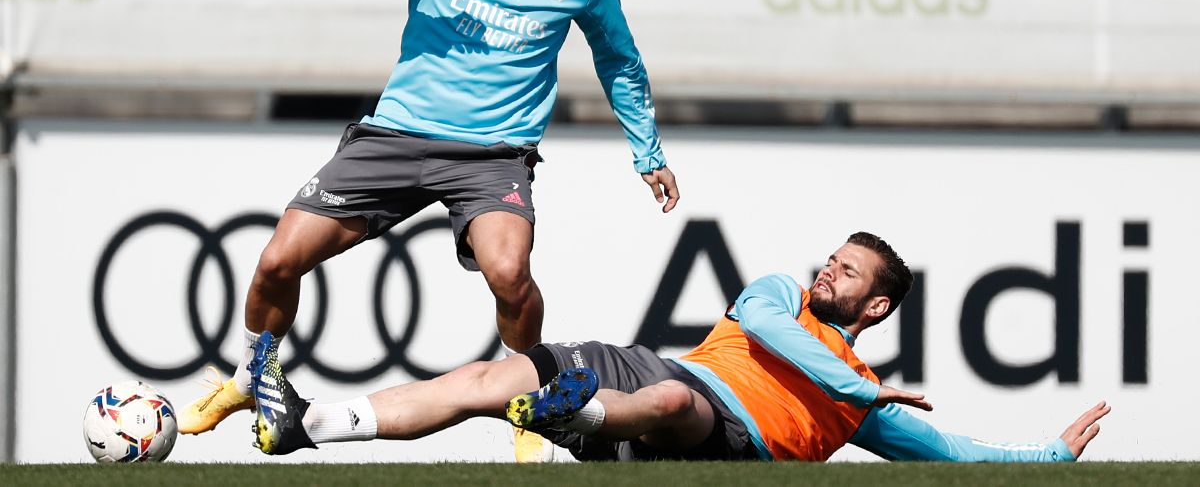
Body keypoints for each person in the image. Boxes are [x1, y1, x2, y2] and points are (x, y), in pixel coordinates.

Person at [178, 0, 679, 460]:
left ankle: (527, 403)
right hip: (398, 135)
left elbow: (619, 60)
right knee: (278, 260)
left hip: (494, 154)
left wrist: (649, 152)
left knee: (510, 274)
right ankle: (254, 376)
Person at [245, 231, 1111, 461]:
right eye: (833, 257)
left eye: (847, 273)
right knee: (483, 375)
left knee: (670, 408)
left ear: (876, 303)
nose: (828, 270)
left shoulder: (860, 401)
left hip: (719, 434)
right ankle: (312, 423)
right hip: (655, 362)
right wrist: (854, 388)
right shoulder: (779, 295)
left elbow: (948, 450)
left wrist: (1051, 454)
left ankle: (577, 411)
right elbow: (770, 330)